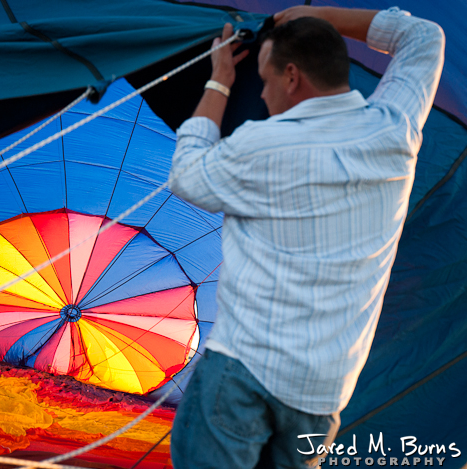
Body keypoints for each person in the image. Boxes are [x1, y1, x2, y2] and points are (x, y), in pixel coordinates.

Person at [169, 6, 445, 469]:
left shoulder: (260, 144)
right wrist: (313, 15)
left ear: (292, 77)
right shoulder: (395, 128)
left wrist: (218, 79)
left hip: (243, 372)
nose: (262, 92)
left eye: (264, 78)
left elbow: (187, 175)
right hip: (323, 393)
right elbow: (424, 37)